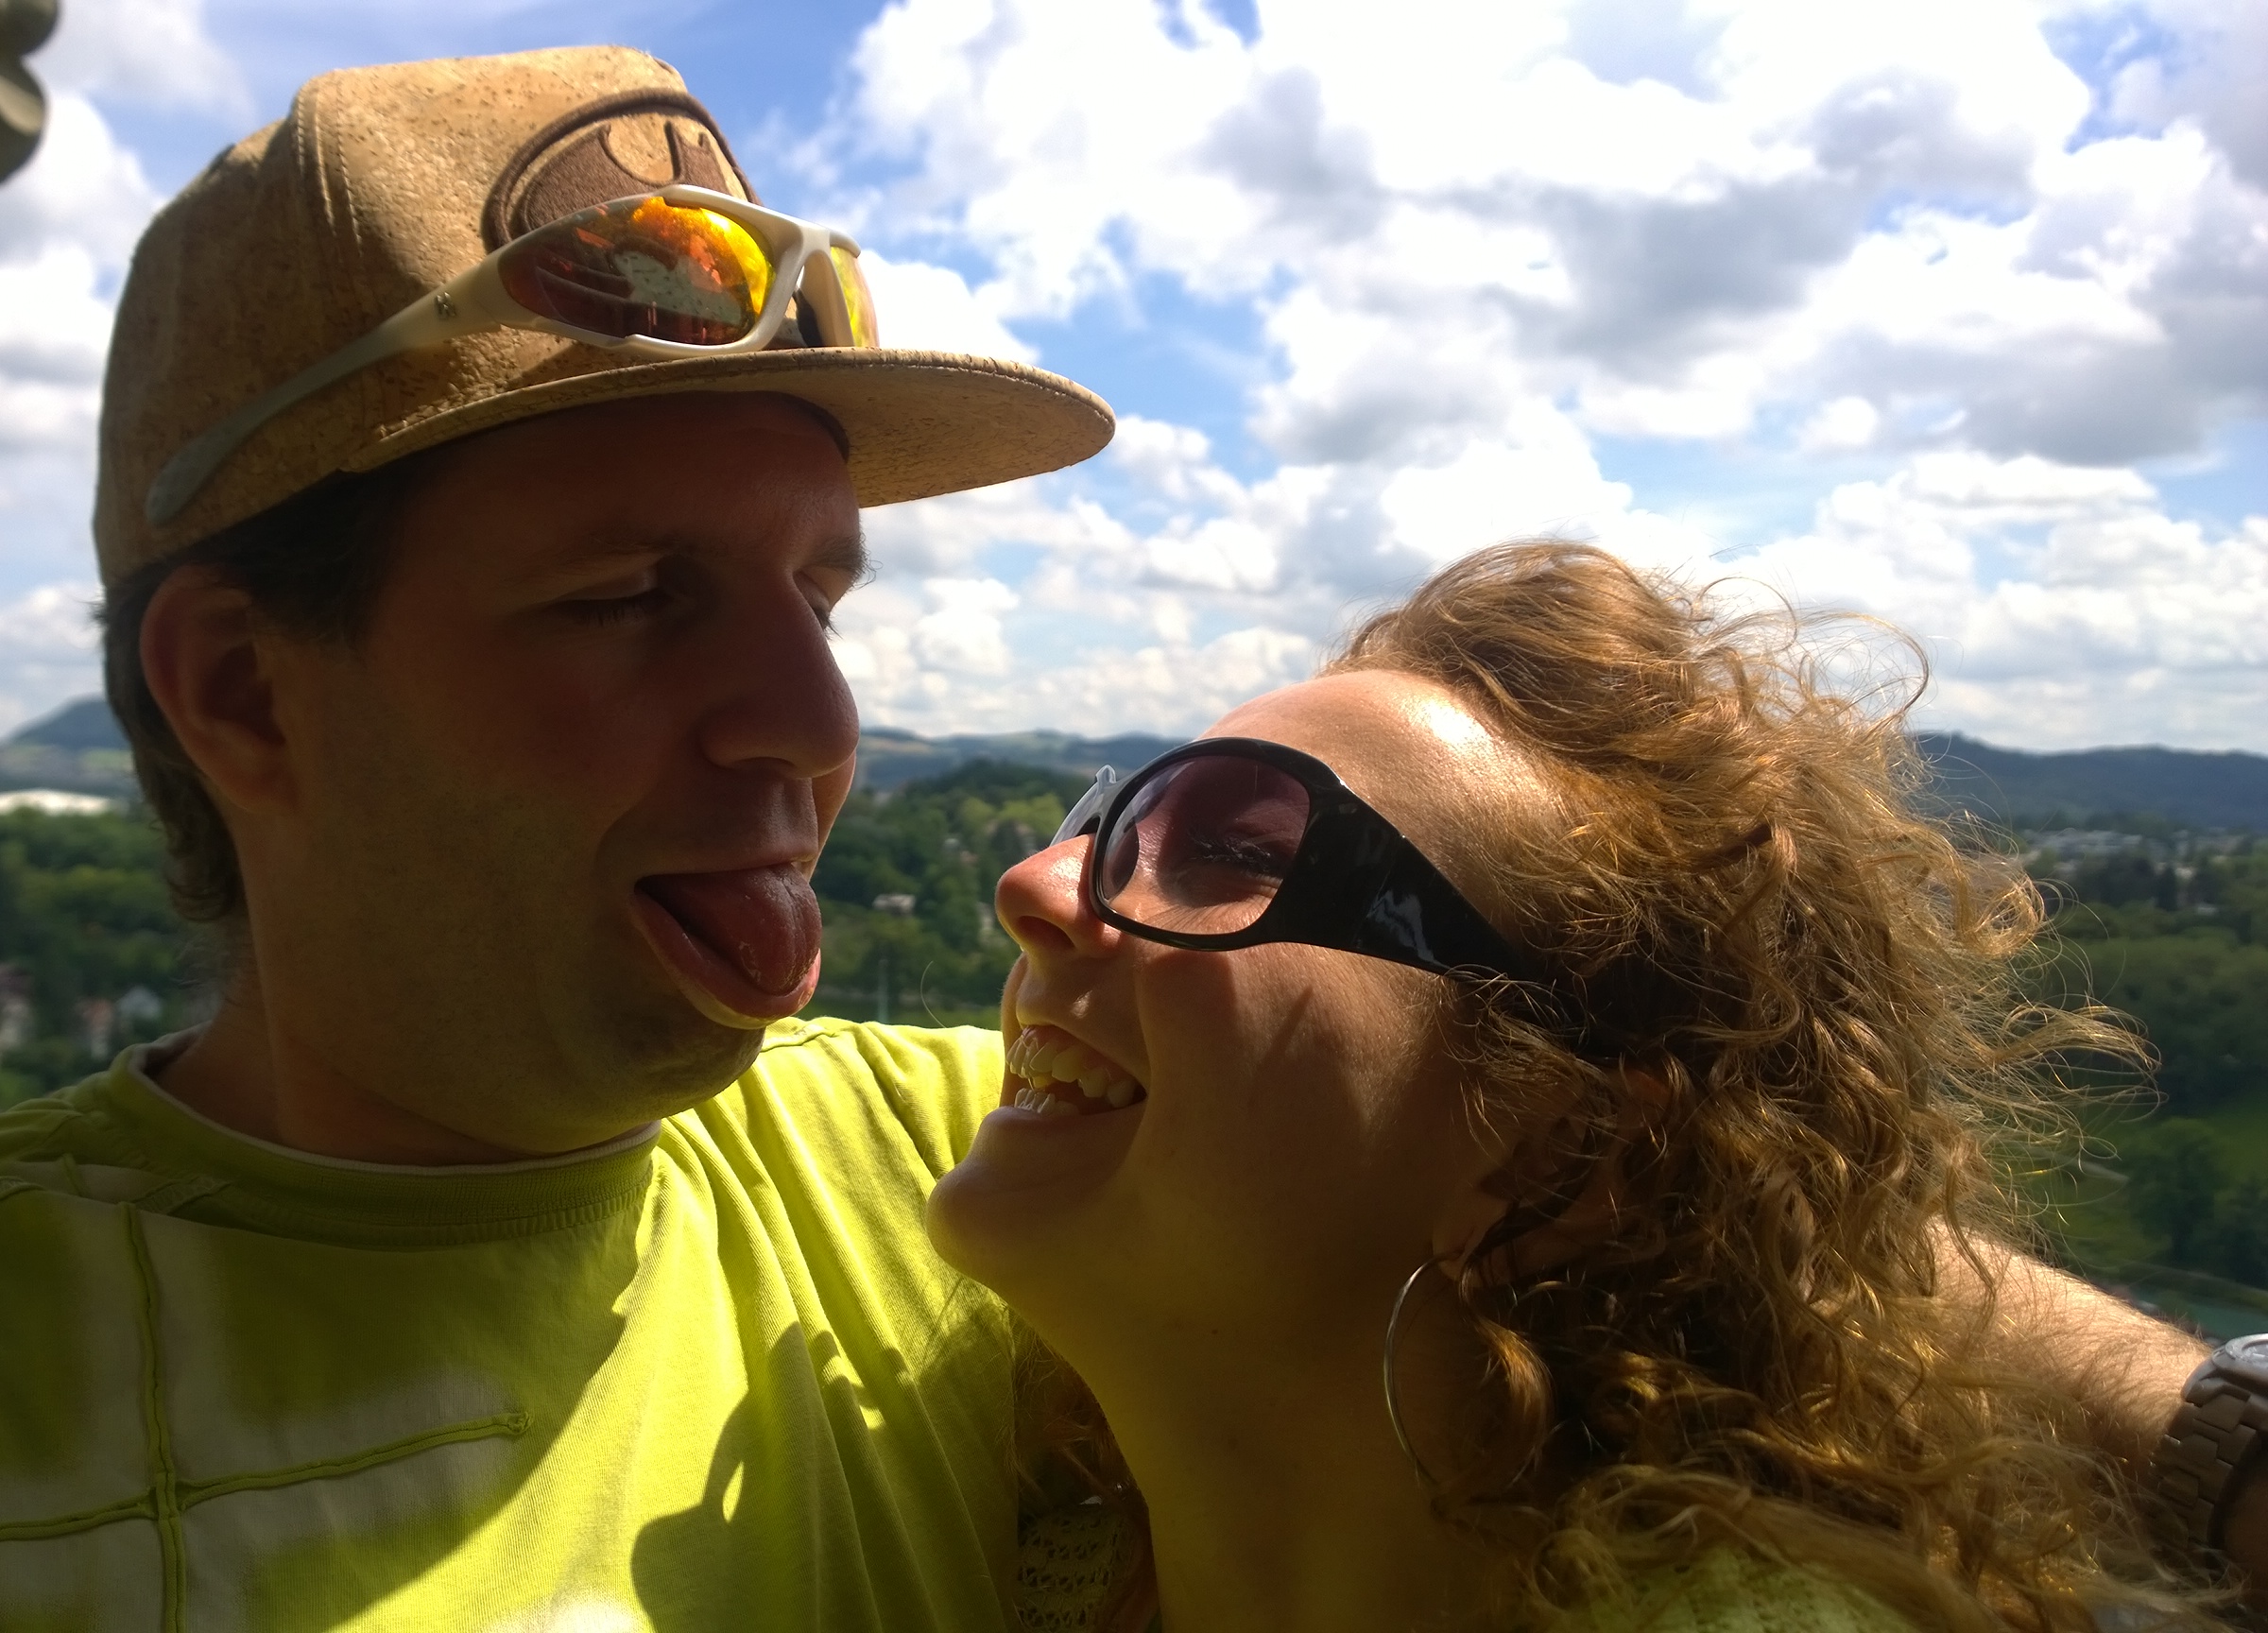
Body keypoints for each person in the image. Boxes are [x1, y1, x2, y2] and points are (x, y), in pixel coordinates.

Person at [0, 43, 2248, 1633]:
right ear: (242, 690)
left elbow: (1699, 1176)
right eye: (632, 599)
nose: (808, 723)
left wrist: (2224, 1459)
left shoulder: (924, 1175)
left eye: (818, 593)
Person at [938, 541, 2234, 1630]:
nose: (1034, 884)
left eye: (1233, 847)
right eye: (1106, 825)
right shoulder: (1022, 1567)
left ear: (1555, 1153)